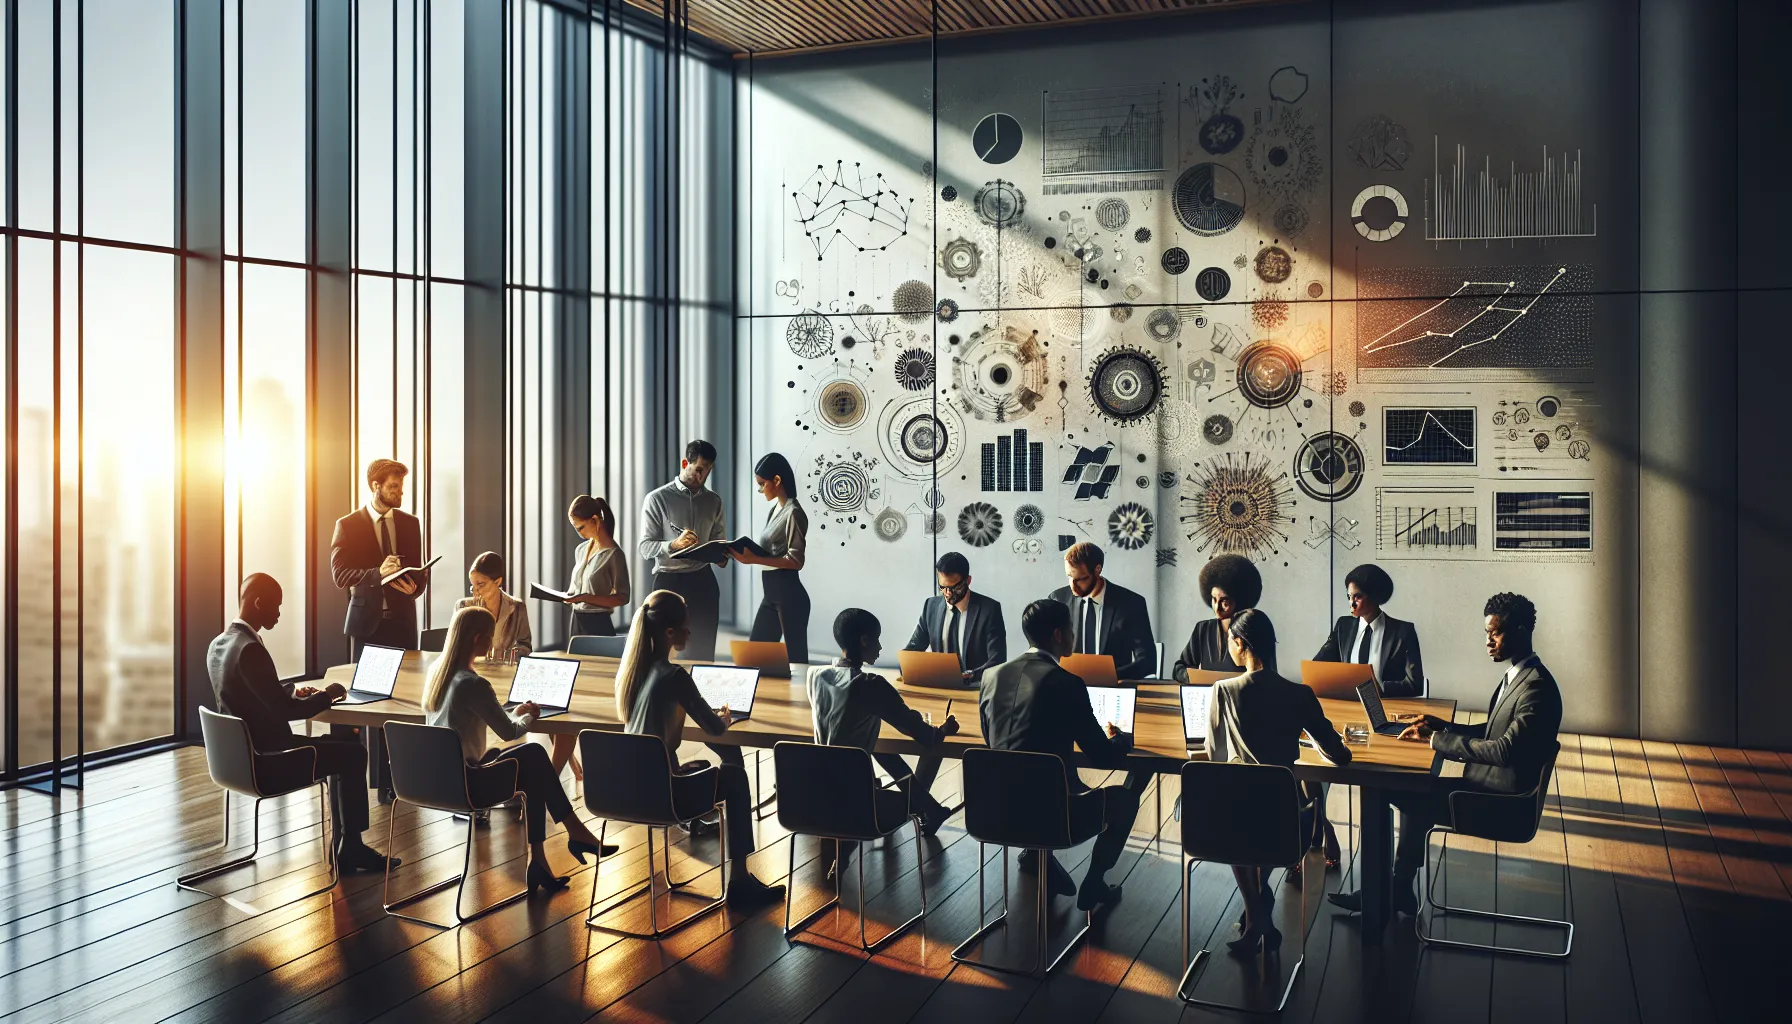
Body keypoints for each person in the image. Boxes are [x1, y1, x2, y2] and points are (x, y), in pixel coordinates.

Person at [1328, 592, 1562, 918]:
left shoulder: (1536, 689)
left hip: (1496, 804)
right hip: (1486, 790)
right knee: (1415, 785)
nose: (1488, 642)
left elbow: (1504, 749)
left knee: (1385, 788)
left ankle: (1381, 894)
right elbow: (1495, 731)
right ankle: (1397, 889)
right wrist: (1444, 725)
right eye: (1486, 634)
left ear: (1521, 631)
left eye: (1495, 633)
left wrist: (1438, 739)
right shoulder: (1522, 677)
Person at [207, 573, 398, 874]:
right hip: (271, 763)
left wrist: (294, 691)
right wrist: (329, 695)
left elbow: (250, 694)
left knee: (345, 746)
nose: (279, 614)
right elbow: (286, 712)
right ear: (258, 603)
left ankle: (348, 844)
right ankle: (351, 848)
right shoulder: (251, 649)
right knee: (354, 754)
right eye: (276, 606)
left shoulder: (221, 644)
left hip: (238, 761)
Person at [423, 605, 616, 893]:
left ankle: (539, 860)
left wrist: (514, 710)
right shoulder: (473, 683)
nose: (492, 643)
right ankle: (574, 831)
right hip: (468, 785)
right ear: (478, 639)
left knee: (531, 767)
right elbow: (509, 731)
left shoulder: (438, 672)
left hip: (435, 781)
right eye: (490, 637)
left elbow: (480, 712)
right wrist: (529, 716)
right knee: (535, 756)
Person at [614, 590, 785, 907]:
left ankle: (738, 875)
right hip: (664, 797)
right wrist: (725, 717)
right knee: (734, 777)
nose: (689, 632)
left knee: (695, 767)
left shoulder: (634, 673)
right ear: (670, 633)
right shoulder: (675, 675)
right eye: (685, 626)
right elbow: (716, 729)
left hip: (624, 793)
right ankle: (739, 880)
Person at [979, 599, 1139, 912]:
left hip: (992, 812)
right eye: (1070, 628)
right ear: (1058, 634)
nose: (1073, 633)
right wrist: (1122, 740)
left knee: (1033, 779)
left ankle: (1039, 858)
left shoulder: (991, 677)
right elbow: (1103, 757)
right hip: (1054, 816)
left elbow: (993, 743)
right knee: (1125, 800)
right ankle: (1093, 882)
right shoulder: (1066, 683)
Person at [1208, 608, 1352, 953]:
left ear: (1240, 643)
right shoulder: (1299, 694)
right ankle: (1259, 909)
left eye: (1230, 640)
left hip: (1234, 819)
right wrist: (1313, 742)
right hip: (1287, 822)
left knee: (1236, 823)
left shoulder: (1223, 690)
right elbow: (1338, 755)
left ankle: (1257, 912)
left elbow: (1213, 759)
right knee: (1270, 826)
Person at [808, 608, 960, 859]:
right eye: (877, 639)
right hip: (856, 803)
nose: (880, 647)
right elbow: (923, 735)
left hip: (814, 795)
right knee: (903, 766)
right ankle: (928, 807)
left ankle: (932, 809)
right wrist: (944, 729)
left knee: (879, 748)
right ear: (864, 641)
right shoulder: (870, 685)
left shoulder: (816, 676)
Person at [638, 440, 726, 662]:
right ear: (685, 463)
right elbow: (644, 547)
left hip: (703, 581)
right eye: (699, 469)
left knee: (704, 653)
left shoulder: (714, 501)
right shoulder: (657, 499)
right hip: (668, 582)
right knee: (660, 653)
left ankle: (699, 696)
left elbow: (719, 541)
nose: (703, 476)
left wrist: (723, 556)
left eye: (708, 470)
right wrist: (673, 545)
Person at [331, 458, 427, 655]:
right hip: (366, 626)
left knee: (408, 684)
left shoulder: (410, 524)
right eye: (393, 486)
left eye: (401, 486)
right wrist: (378, 573)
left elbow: (419, 570)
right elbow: (340, 575)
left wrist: (415, 590)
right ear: (376, 486)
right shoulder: (348, 525)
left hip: (403, 625)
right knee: (367, 686)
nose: (400, 491)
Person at [733, 452, 811, 665]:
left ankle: (802, 699)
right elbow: (772, 551)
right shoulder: (776, 509)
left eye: (762, 484)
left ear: (777, 480)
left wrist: (754, 560)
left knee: (797, 664)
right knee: (753, 660)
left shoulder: (794, 512)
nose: (760, 490)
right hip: (771, 595)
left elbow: (796, 561)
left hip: (790, 597)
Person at [1312, 563, 1424, 698]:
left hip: (1386, 707)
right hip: (1348, 706)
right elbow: (1318, 665)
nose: (1351, 604)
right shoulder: (1343, 626)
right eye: (1349, 597)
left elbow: (1415, 685)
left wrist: (1378, 688)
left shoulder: (1403, 632)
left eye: (1357, 597)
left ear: (1374, 596)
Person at [1048, 542, 1155, 681]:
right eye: (1069, 577)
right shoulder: (1057, 599)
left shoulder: (1131, 604)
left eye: (1081, 579)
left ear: (1097, 569)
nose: (1073, 587)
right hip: (1068, 688)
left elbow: (1147, 662)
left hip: (1114, 688)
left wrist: (1107, 676)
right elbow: (1047, 652)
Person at [903, 551, 1007, 686]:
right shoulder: (930, 606)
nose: (948, 593)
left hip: (975, 689)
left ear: (968, 581)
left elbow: (997, 660)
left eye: (955, 587)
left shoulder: (989, 609)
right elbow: (912, 651)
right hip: (939, 689)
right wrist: (907, 667)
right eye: (942, 587)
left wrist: (968, 677)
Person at [1172, 554, 1262, 681]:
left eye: (1224, 602)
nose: (1217, 608)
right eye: (1214, 599)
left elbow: (1266, 674)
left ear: (1239, 600)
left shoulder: (1253, 629)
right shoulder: (1203, 629)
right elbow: (1179, 668)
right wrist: (1193, 677)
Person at [564, 494, 630, 637]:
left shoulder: (614, 555)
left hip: (598, 621)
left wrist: (586, 598)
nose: (579, 533)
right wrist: (570, 596)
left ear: (594, 520)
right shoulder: (580, 550)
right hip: (576, 619)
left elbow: (623, 597)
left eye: (580, 527)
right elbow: (576, 588)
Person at [456, 551, 534, 661]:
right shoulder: (463, 607)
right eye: (472, 585)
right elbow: (455, 647)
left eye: (481, 584)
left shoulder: (517, 608)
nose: (475, 592)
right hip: (473, 671)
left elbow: (525, 646)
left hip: (505, 672)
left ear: (497, 582)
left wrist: (504, 657)